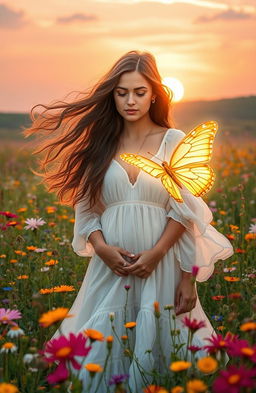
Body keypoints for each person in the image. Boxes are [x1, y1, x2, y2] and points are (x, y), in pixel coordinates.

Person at [24, 50, 233, 392]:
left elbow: (185, 211)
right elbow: (87, 209)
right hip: (112, 267)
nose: (130, 101)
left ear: (154, 94)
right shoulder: (100, 144)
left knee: (165, 349)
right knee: (101, 349)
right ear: (113, 95)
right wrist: (102, 248)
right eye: (122, 93)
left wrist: (179, 272)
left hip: (162, 265)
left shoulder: (173, 141)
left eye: (139, 92)